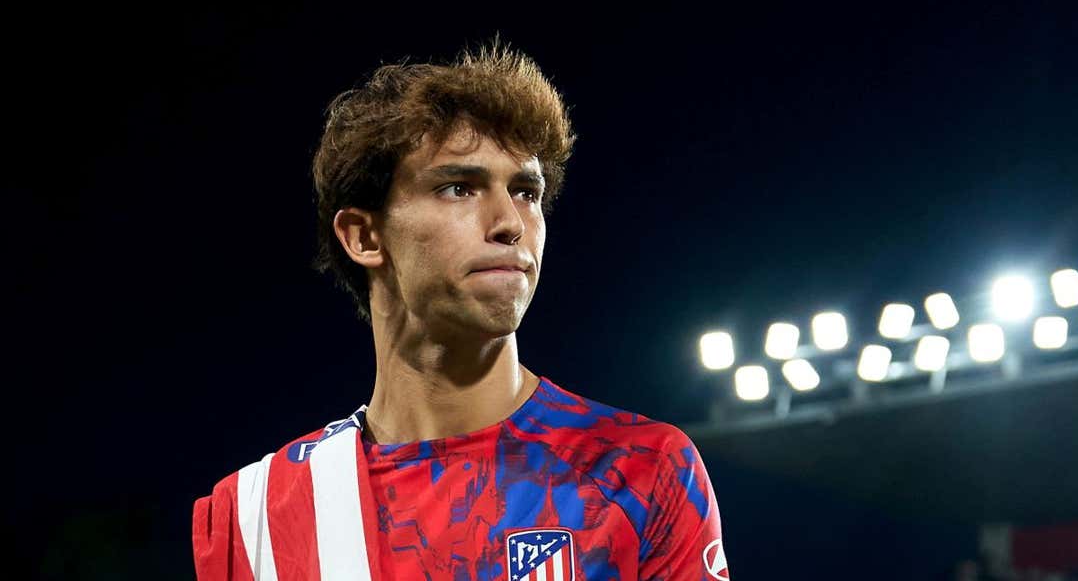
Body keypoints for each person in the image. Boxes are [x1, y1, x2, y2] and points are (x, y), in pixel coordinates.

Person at [191, 40, 728, 581]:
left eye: (526, 191)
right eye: (459, 188)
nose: (509, 223)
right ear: (363, 235)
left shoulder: (639, 470)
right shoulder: (255, 514)